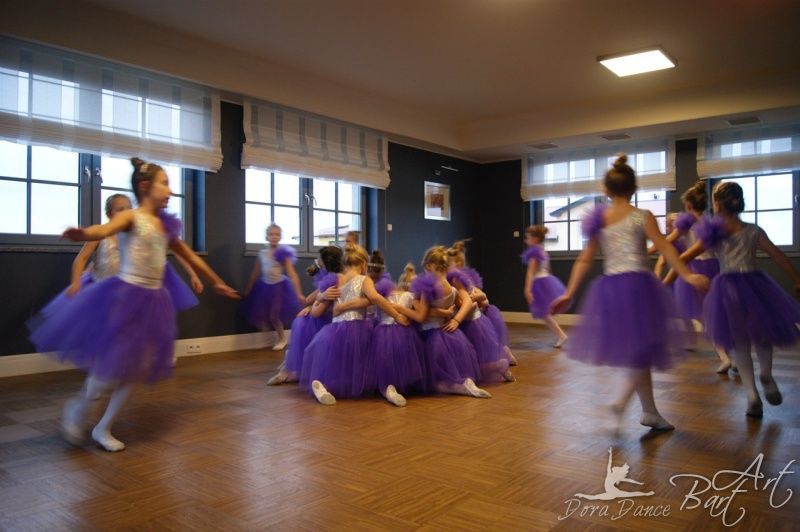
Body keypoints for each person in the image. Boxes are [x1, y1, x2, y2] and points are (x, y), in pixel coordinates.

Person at [29, 158, 239, 451]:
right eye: (164, 183)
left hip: (153, 302)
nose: (170, 190)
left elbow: (189, 255)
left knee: (136, 370)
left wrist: (216, 281)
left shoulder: (165, 225)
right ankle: (79, 408)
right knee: (107, 373)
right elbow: (103, 230)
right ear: (145, 187)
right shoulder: (131, 217)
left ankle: (103, 427)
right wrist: (83, 234)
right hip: (125, 297)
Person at [550, 154, 708, 431]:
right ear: (634, 188)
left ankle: (649, 411)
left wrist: (569, 293)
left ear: (606, 190)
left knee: (640, 349)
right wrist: (687, 274)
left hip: (611, 289)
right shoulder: (642, 216)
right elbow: (666, 247)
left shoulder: (600, 218)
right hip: (638, 288)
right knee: (642, 348)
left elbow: (585, 259)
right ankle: (620, 403)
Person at [674, 181, 800, 417]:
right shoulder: (753, 230)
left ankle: (752, 395)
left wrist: (688, 276)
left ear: (717, 205)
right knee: (762, 336)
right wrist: (796, 280)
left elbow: (683, 257)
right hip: (756, 285)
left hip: (727, 289)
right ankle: (766, 374)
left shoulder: (714, 234)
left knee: (740, 342)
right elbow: (777, 255)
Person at [300, 245, 410, 405]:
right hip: (359, 328)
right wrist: (397, 315)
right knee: (371, 359)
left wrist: (321, 297)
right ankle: (386, 387)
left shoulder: (335, 280)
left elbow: (316, 307)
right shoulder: (364, 279)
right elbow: (376, 298)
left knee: (337, 366)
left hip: (335, 330)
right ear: (364, 264)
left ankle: (323, 385)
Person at [401, 246, 491, 398]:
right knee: (451, 369)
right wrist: (453, 318)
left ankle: (460, 386)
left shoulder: (428, 288)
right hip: (450, 334)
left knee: (433, 380)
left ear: (429, 266)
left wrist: (411, 303)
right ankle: (466, 382)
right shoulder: (451, 289)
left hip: (430, 335)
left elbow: (422, 315)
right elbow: (463, 304)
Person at [662, 181, 732, 372]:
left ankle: (725, 356)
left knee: (705, 316)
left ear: (688, 206)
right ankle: (727, 354)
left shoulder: (686, 223)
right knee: (713, 313)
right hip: (715, 267)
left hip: (695, 268)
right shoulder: (712, 223)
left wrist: (648, 249)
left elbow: (666, 242)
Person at [266, 246, 343, 385]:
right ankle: (292, 367)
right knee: (303, 320)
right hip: (324, 313)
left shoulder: (334, 281)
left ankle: (292, 370)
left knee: (306, 322)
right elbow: (309, 299)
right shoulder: (329, 278)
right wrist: (313, 302)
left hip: (333, 319)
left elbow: (318, 311)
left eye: (320, 259)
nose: (317, 261)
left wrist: (316, 302)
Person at [447, 241, 518, 366]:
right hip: (471, 315)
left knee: (484, 346)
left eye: (446, 265)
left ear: (458, 264)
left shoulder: (458, 280)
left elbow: (482, 299)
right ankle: (502, 357)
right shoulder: (454, 280)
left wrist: (474, 300)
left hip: (473, 317)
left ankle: (500, 361)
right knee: (487, 344)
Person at [370, 263, 427, 406]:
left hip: (382, 332)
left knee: (385, 362)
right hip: (404, 332)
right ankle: (398, 386)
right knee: (402, 361)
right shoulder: (412, 297)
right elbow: (419, 315)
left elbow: (374, 312)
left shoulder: (385, 294)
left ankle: (388, 387)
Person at [242, 224, 305, 351]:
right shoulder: (262, 253)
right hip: (264, 286)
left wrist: (299, 293)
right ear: (266, 236)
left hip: (278, 287)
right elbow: (255, 273)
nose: (274, 237)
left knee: (274, 316)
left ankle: (282, 339)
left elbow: (292, 274)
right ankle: (268, 336)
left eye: (277, 234)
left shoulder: (282, 253)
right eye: (271, 234)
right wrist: (247, 290)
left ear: (280, 237)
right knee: (260, 313)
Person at [521, 225, 568, 348]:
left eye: (528, 238)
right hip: (547, 280)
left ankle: (562, 335)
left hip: (540, 283)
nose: (526, 241)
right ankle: (561, 335)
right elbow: (548, 269)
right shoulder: (543, 251)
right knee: (545, 313)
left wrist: (527, 289)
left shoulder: (534, 253)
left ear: (535, 239)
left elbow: (531, 272)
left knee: (544, 313)